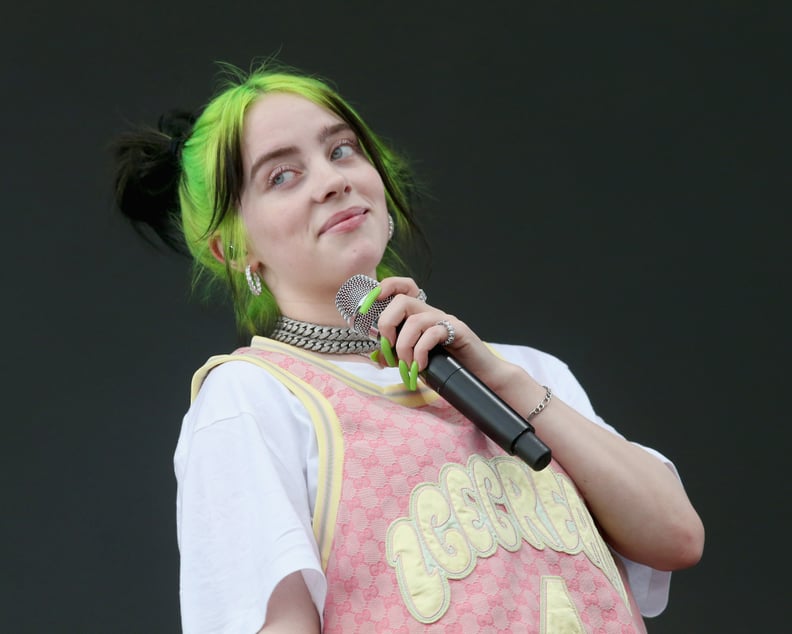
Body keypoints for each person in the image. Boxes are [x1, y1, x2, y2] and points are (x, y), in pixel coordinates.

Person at [113, 61, 704, 633]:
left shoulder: (527, 370)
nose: (333, 179)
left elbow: (676, 536)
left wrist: (506, 383)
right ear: (232, 249)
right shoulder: (254, 398)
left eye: (341, 149)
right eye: (282, 176)